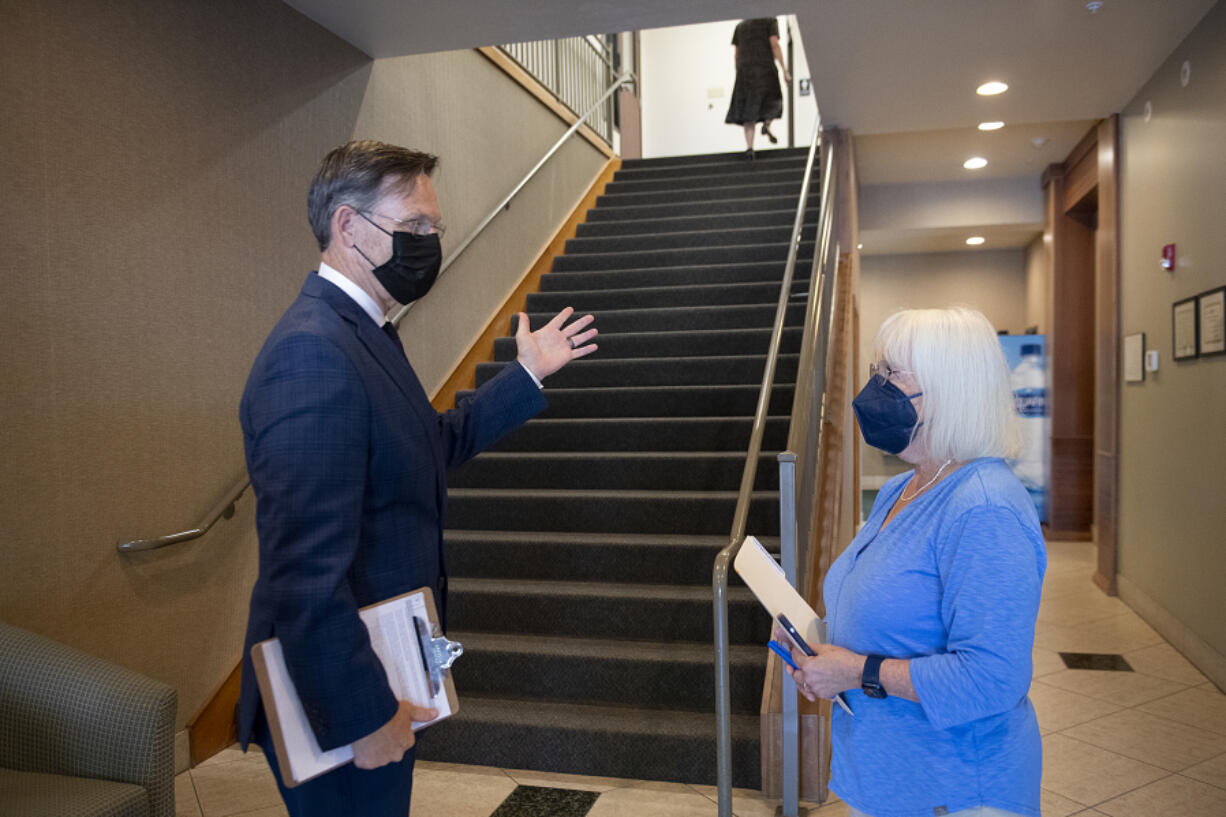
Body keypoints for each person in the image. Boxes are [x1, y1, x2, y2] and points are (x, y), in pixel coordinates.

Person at [235, 140, 597, 817]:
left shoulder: (366, 332)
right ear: (347, 226)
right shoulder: (313, 354)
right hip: (343, 699)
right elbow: (304, 575)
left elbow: (429, 444)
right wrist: (364, 715)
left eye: (434, 228)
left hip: (383, 664)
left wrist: (524, 376)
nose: (429, 243)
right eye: (415, 228)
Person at [779, 307, 1045, 817]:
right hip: (888, 776)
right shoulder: (904, 487)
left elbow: (992, 678)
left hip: (956, 791)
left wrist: (857, 672)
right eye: (878, 372)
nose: (876, 388)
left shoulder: (985, 507)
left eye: (892, 375)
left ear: (949, 389)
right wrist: (820, 646)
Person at [725, 18, 791, 159]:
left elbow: (736, 54)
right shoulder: (769, 20)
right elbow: (774, 44)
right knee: (773, 100)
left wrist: (739, 73)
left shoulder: (740, 26)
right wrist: (784, 69)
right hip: (764, 67)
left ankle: (749, 148)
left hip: (745, 72)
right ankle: (767, 123)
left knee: (749, 110)